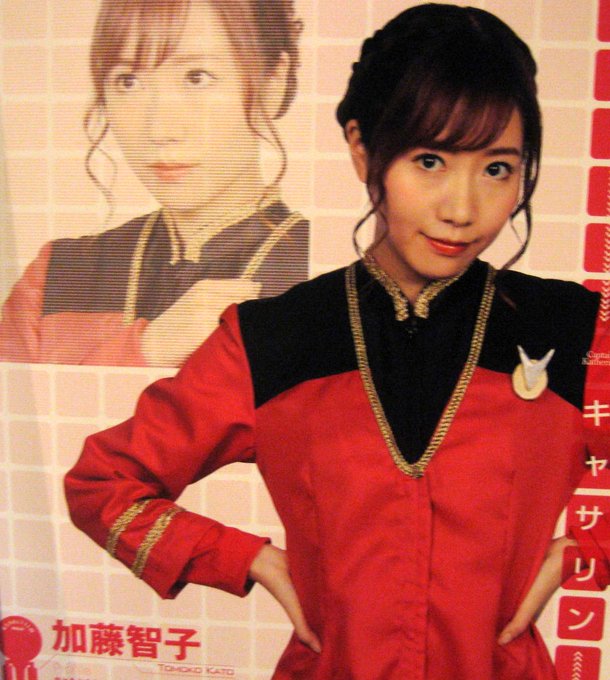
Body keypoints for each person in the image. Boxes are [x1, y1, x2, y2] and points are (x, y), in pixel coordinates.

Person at [65, 4, 610, 678]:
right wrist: (251, 560)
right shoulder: (274, 339)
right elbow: (103, 482)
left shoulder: (571, 331)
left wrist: (582, 550)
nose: (463, 209)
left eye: (497, 169)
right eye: (430, 161)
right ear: (361, 148)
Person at [0, 0, 308, 367]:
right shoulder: (59, 274)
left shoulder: (327, 270)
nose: (159, 129)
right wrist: (146, 349)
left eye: (197, 77)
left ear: (272, 83)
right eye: (128, 81)